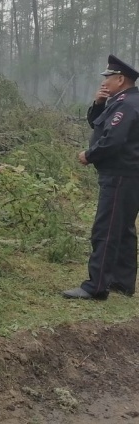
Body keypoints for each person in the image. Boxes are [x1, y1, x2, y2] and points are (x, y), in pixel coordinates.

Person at [63, 55, 139, 300]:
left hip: (120, 175)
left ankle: (95, 287)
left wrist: (90, 155)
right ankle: (122, 283)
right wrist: (98, 104)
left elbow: (113, 140)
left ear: (121, 79)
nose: (105, 82)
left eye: (108, 77)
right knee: (123, 228)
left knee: (105, 230)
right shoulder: (122, 101)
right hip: (128, 175)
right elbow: (99, 125)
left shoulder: (127, 104)